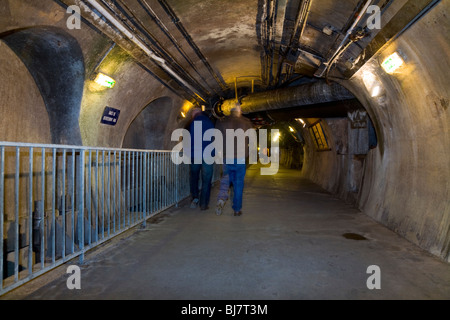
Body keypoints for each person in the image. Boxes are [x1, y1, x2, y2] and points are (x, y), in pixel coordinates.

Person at [215, 102, 254, 216]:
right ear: (239, 110)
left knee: (225, 180)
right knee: (238, 184)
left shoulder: (222, 121)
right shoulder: (246, 122)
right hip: (240, 158)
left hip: (227, 157)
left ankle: (221, 199)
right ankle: (237, 209)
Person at [188, 108, 215, 210]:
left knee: (194, 177)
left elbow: (190, 139)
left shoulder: (193, 123)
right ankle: (203, 204)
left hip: (195, 154)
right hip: (208, 155)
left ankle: (195, 198)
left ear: (194, 113)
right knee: (206, 180)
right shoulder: (209, 122)